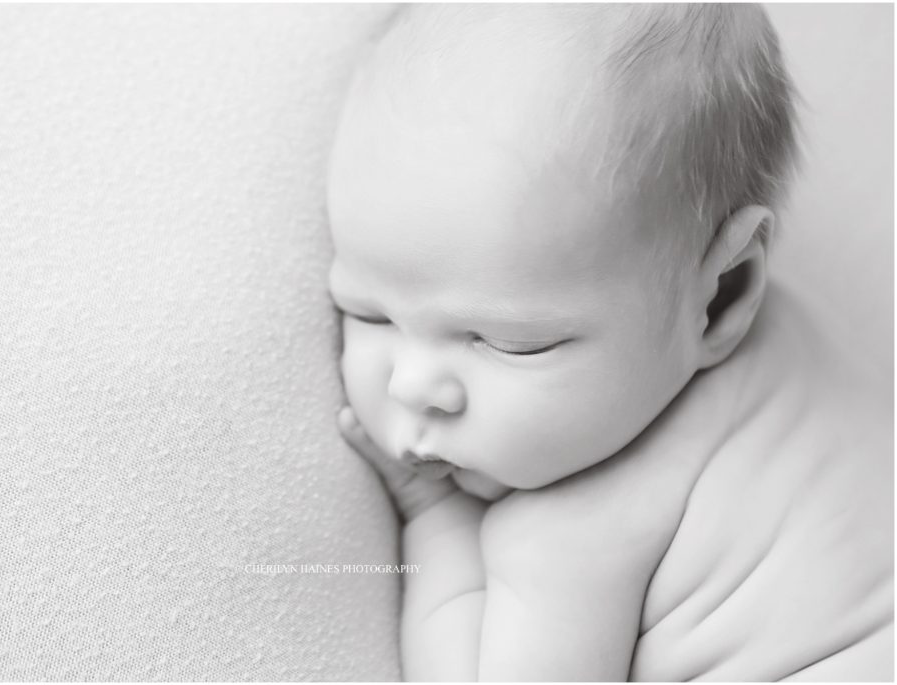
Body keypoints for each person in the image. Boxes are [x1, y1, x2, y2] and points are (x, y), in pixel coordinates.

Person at [326, 4, 893, 681]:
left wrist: (434, 519)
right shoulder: (817, 343)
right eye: (366, 311)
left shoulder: (571, 537)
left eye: (510, 342)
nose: (409, 386)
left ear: (723, 294)